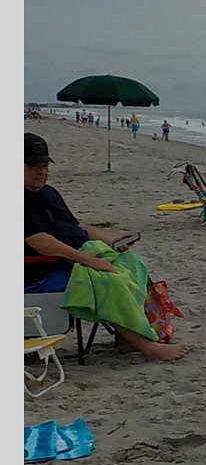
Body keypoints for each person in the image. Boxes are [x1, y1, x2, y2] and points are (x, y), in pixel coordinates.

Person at [23, 133, 190, 363]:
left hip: (78, 254)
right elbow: (39, 242)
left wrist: (110, 242)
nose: (42, 171)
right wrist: (90, 260)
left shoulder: (48, 193)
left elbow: (76, 226)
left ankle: (127, 337)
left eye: (44, 164)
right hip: (45, 267)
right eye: (33, 165)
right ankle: (147, 346)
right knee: (112, 280)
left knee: (134, 264)